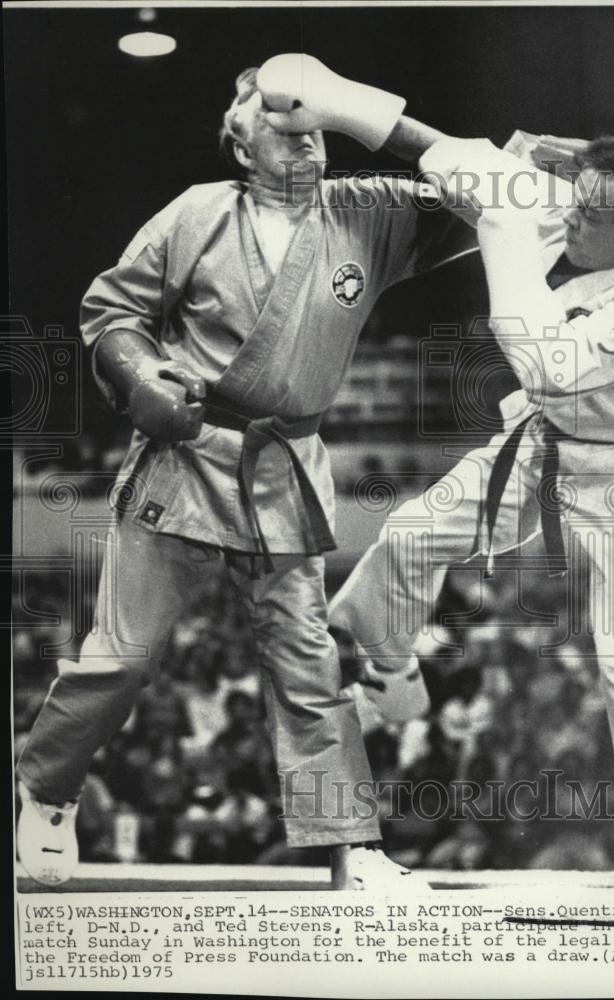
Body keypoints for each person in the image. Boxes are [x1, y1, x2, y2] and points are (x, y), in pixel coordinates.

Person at [15, 56, 477, 888]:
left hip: (284, 470)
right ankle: (46, 792)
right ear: (243, 148)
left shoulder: (367, 212)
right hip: (185, 456)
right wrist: (140, 378)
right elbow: (110, 311)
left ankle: (354, 847)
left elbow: (487, 187)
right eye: (284, 131)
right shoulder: (197, 214)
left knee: (307, 664)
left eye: (316, 131)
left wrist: (364, 109)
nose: (305, 145)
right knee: (121, 656)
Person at [330, 128, 614, 882]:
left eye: (587, 217)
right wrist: (342, 104)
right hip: (543, 443)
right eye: (573, 200)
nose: (569, 221)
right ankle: (388, 676)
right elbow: (444, 148)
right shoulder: (608, 202)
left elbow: (545, 366)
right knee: (410, 533)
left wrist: (505, 235)